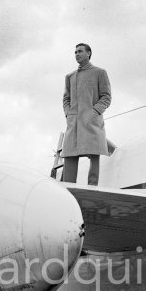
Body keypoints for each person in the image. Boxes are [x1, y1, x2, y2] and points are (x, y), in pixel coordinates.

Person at [61, 43, 111, 186]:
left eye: (80, 51)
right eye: (75, 52)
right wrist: (68, 113)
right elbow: (66, 98)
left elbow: (106, 97)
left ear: (88, 53)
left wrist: (94, 112)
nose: (77, 54)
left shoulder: (100, 72)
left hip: (91, 122)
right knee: (69, 156)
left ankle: (92, 190)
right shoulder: (69, 76)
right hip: (73, 123)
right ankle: (68, 190)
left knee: (94, 155)